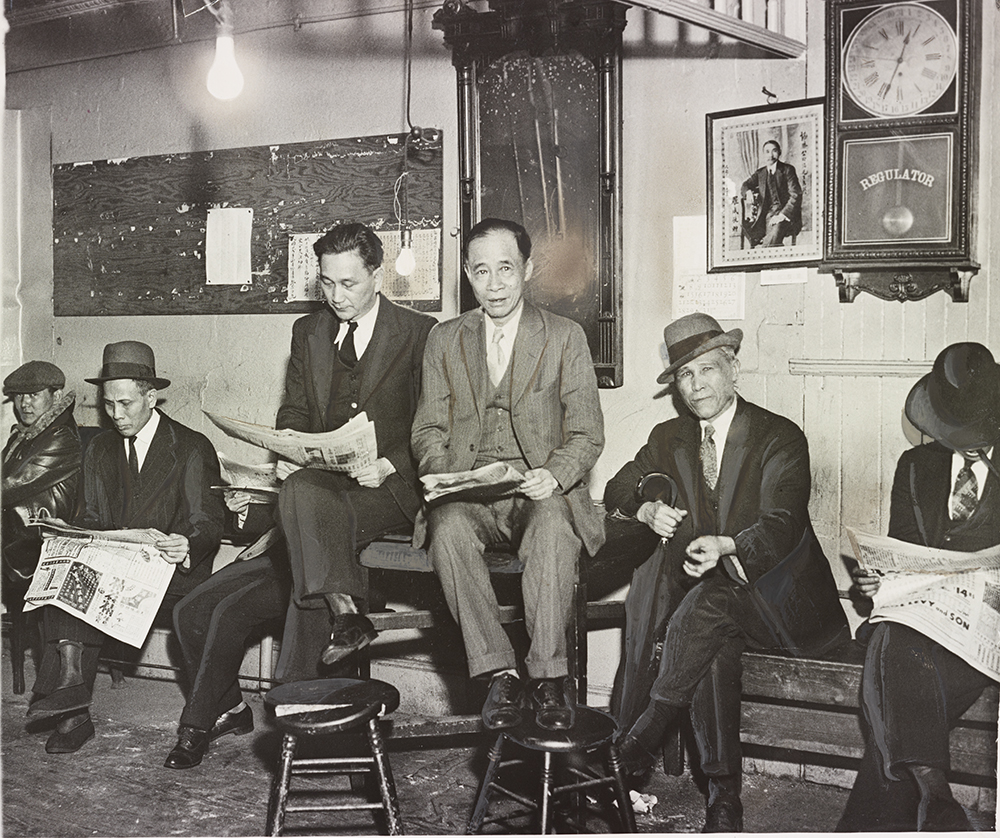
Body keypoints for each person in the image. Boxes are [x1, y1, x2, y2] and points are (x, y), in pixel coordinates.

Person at [163, 221, 434, 769]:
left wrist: (390, 462)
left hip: (386, 489)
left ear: (378, 275)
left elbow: (434, 423)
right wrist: (287, 441)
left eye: (350, 283)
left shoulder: (421, 331)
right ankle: (338, 611)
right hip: (314, 492)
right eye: (328, 284)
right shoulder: (308, 332)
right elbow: (294, 409)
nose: (337, 296)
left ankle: (279, 695)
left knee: (301, 505)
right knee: (195, 611)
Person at [605, 312, 847, 832]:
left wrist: (728, 545)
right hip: (714, 619)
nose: (697, 387)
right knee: (713, 635)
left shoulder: (779, 437)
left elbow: (781, 527)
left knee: (712, 602)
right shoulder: (668, 438)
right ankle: (723, 798)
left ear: (733, 367)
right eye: (686, 376)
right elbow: (617, 490)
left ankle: (641, 741)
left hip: (783, 607)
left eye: (708, 370)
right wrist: (646, 508)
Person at [411, 217, 605, 732]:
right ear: (467, 277)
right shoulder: (443, 339)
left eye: (505, 269)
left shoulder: (565, 337)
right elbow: (428, 429)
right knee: (446, 530)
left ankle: (547, 677)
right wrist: (440, 476)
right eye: (480, 272)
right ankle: (498, 671)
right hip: (469, 493)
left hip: (536, 490)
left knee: (550, 527)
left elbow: (587, 435)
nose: (494, 284)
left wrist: (554, 475)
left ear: (528, 269)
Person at [25, 341, 225, 755]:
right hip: (118, 563)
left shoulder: (190, 446)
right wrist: (68, 531)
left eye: (126, 404)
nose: (116, 415)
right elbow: (95, 517)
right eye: (108, 404)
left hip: (172, 572)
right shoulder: (99, 447)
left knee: (81, 587)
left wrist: (186, 541)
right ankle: (73, 707)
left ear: (151, 397)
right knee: (66, 581)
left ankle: (68, 699)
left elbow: (206, 521)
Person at [838, 342, 1000, 832]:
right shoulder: (915, 468)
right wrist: (876, 582)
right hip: (919, 622)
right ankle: (935, 796)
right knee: (895, 640)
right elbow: (903, 552)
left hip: (980, 636)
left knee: (890, 678)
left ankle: (928, 797)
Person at [2, 361, 82, 588]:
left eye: (33, 395)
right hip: (18, 548)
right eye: (18, 396)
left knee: (31, 624)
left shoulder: (61, 436)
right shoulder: (25, 435)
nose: (24, 403)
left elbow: (11, 484)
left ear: (56, 396)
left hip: (39, 553)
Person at [740, 140, 802, 247]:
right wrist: (748, 192)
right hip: (766, 215)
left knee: (773, 238)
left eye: (774, 151)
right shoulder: (761, 173)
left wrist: (782, 215)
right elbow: (745, 185)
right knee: (772, 238)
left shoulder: (787, 170)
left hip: (786, 214)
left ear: (779, 152)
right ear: (763, 154)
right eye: (767, 151)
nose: (770, 155)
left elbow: (795, 195)